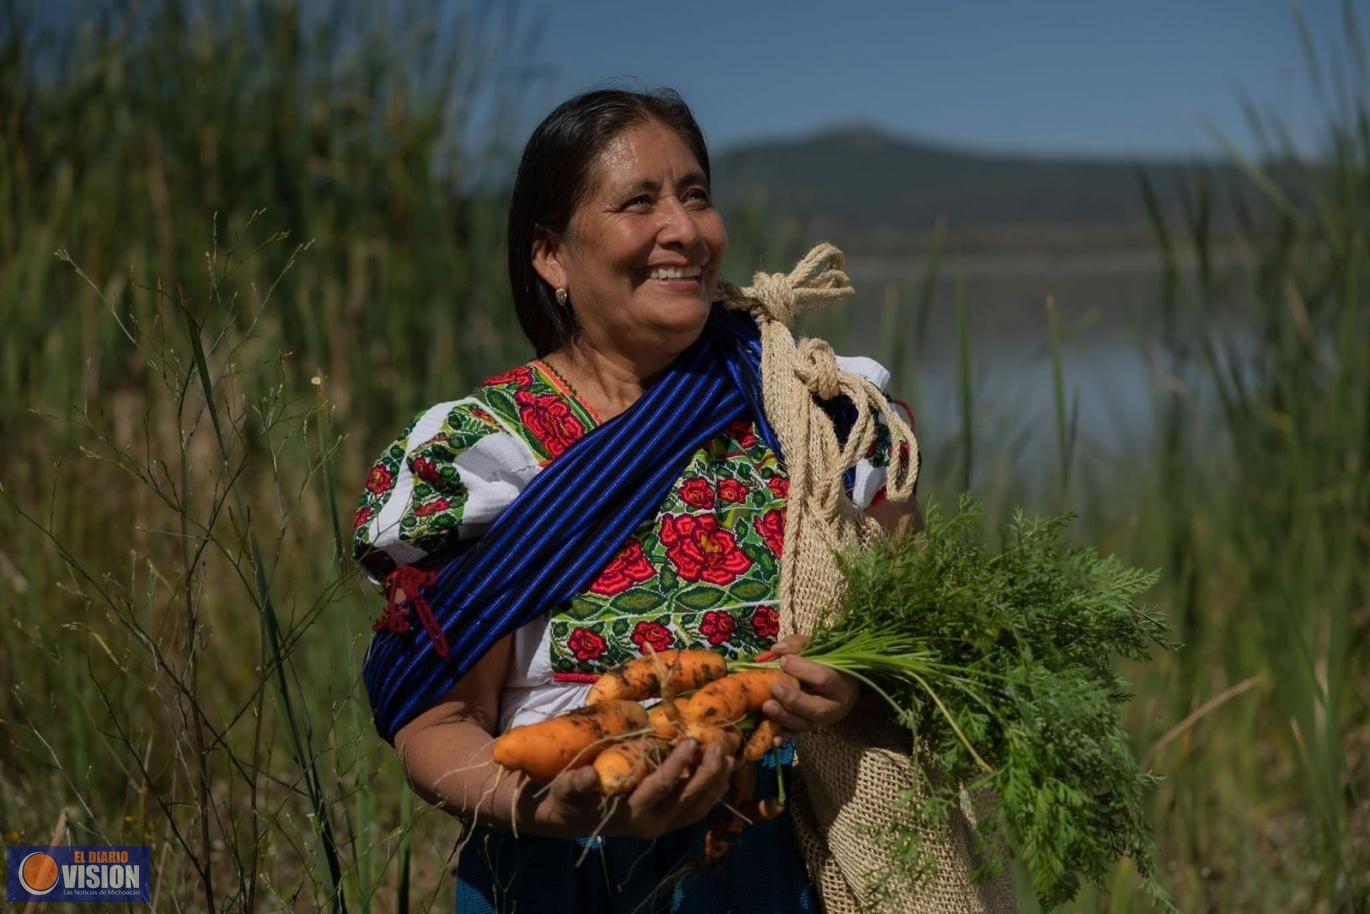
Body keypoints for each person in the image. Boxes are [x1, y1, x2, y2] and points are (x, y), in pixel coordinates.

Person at [351, 88, 921, 914]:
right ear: (550, 255)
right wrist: (545, 807)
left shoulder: (816, 415)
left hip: (786, 865)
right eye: (638, 202)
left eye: (695, 194)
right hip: (561, 874)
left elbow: (930, 638)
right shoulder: (482, 457)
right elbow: (435, 725)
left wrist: (860, 681)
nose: (684, 230)